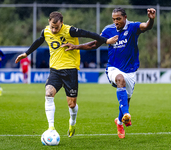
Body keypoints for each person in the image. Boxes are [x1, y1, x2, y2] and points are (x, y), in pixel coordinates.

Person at [15, 11, 118, 138]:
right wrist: (26, 53)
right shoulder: (45, 31)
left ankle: (72, 122)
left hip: (70, 70)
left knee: (72, 104)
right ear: (49, 22)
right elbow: (38, 41)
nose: (53, 30)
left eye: (56, 27)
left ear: (61, 23)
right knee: (48, 94)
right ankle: (51, 127)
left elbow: (88, 34)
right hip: (55, 70)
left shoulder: (70, 30)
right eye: (52, 27)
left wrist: (106, 40)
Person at [62, 8, 156, 139]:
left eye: (118, 19)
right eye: (114, 19)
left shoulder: (133, 27)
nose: (116, 22)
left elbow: (146, 26)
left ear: (125, 17)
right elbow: (95, 44)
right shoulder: (108, 30)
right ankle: (127, 115)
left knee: (126, 100)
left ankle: (119, 121)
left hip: (130, 70)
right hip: (113, 68)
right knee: (120, 79)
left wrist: (151, 19)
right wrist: (76, 46)